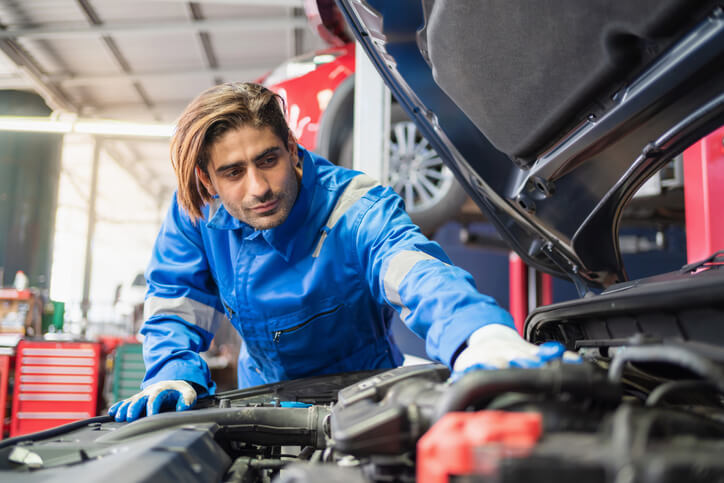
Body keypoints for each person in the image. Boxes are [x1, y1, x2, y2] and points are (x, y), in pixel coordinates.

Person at [109, 82, 575, 422]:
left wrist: (480, 337)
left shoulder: (351, 206)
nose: (258, 188)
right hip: (262, 398)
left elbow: (413, 268)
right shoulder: (196, 213)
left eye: (268, 159)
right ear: (208, 180)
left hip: (368, 396)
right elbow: (174, 297)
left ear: (292, 149)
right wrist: (172, 371)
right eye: (233, 172)